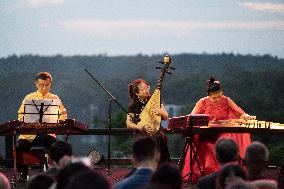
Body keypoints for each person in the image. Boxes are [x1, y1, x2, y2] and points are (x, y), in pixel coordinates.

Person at [182, 77, 254, 183]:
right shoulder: (202, 102)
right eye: (214, 97)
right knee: (208, 145)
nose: (218, 99)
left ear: (222, 92)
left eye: (219, 96)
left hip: (221, 130)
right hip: (206, 133)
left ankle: (226, 172)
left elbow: (238, 111)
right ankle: (211, 174)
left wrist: (246, 115)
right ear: (209, 95)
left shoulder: (226, 100)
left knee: (226, 143)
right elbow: (192, 116)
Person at [17, 72, 67, 182]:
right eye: (41, 85)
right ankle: (23, 175)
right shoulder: (29, 98)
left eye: (47, 85)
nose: (44, 88)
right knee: (21, 146)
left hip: (47, 133)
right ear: (36, 84)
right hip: (29, 134)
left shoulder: (55, 98)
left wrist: (57, 121)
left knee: (55, 147)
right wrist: (29, 121)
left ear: (50, 85)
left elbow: (63, 114)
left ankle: (54, 173)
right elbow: (21, 115)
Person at [126, 79, 170, 163]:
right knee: (142, 140)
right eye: (143, 89)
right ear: (137, 93)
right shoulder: (133, 106)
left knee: (158, 137)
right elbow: (128, 123)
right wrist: (140, 127)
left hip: (156, 132)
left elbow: (166, 117)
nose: (146, 90)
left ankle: (160, 168)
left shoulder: (155, 100)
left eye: (147, 88)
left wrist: (161, 112)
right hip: (141, 134)